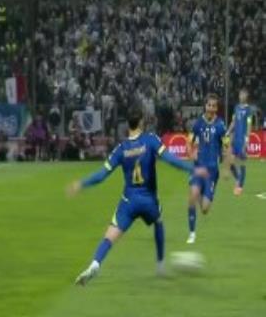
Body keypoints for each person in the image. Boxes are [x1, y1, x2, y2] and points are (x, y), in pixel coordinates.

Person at [67, 105, 208, 286]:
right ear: (141, 122)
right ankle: (160, 265)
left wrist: (81, 184)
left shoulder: (121, 148)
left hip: (129, 201)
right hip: (149, 200)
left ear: (128, 124)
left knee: (110, 236)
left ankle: (95, 264)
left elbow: (102, 175)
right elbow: (171, 160)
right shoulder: (151, 140)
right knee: (158, 222)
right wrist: (193, 169)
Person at [186, 93, 226, 244]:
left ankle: (202, 192)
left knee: (204, 209)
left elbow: (226, 145)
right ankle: (192, 233)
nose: (210, 108)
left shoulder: (220, 125)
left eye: (213, 106)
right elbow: (189, 141)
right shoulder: (198, 123)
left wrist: (225, 159)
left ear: (216, 108)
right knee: (192, 196)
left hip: (212, 172)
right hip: (198, 168)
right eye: (209, 105)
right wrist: (191, 154)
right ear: (205, 106)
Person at [226, 88, 252, 196]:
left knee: (242, 162)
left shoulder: (248, 110)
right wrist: (228, 132)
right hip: (235, 139)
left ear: (246, 96)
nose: (241, 96)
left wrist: (247, 140)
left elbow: (249, 125)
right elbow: (233, 121)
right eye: (240, 94)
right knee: (230, 160)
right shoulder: (236, 108)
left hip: (242, 140)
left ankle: (240, 186)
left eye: (243, 94)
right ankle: (238, 178)